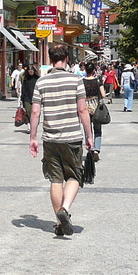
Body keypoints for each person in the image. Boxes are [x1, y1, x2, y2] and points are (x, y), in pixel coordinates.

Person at [29, 44, 95, 237]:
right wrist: (89, 135)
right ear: (66, 58)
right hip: (72, 136)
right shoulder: (76, 80)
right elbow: (82, 110)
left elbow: (35, 111)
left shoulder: (41, 82)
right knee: (75, 176)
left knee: (55, 179)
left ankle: (59, 223)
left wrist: (33, 137)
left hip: (50, 138)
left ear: (50, 59)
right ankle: (64, 210)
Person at [82, 61, 105, 161]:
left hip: (85, 108)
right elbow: (103, 95)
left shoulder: (82, 82)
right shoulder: (97, 81)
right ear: (94, 70)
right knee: (98, 130)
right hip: (96, 108)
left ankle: (90, 149)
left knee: (88, 130)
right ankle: (96, 149)